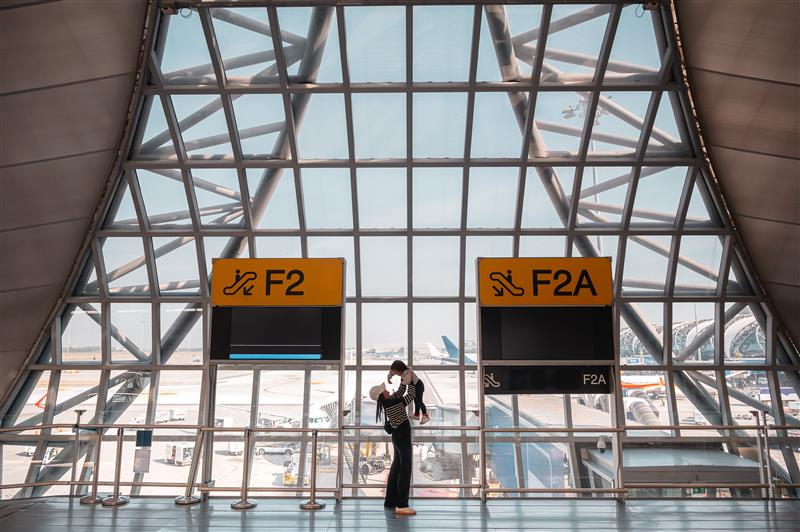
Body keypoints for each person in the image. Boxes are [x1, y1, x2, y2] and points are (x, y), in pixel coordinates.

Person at [370, 370, 416, 516]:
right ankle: (402, 504)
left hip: (397, 438)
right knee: (405, 470)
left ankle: (390, 501)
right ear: (382, 395)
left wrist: (403, 379)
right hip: (402, 438)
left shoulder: (388, 402)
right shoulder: (393, 402)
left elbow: (401, 391)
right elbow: (410, 396)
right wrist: (413, 381)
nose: (388, 390)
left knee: (396, 469)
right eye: (385, 390)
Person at [389, 360, 429, 425]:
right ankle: (416, 414)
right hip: (416, 386)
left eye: (396, 372)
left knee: (419, 401)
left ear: (400, 369)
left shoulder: (406, 373)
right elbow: (403, 387)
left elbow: (403, 388)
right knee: (416, 401)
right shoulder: (404, 373)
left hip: (418, 386)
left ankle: (425, 415)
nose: (395, 373)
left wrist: (395, 396)